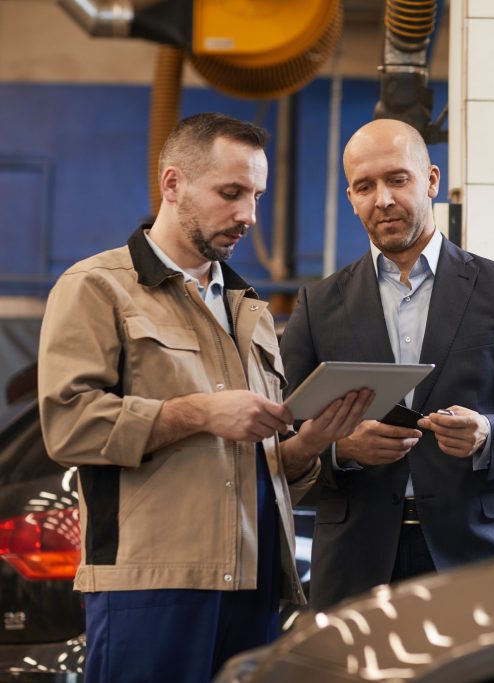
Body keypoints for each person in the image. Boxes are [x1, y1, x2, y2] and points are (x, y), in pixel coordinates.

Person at [37, 112, 372, 683]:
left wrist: (309, 444)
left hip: (253, 580)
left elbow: (261, 465)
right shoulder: (98, 287)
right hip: (152, 581)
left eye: (257, 196)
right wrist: (198, 412)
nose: (248, 215)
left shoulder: (249, 309)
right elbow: (69, 425)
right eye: (231, 192)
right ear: (173, 184)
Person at [280, 118, 494, 611]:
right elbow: (282, 434)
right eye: (364, 186)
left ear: (432, 181)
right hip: (355, 560)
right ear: (350, 198)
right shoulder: (318, 306)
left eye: (397, 179)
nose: (382, 199)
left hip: (474, 555)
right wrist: (340, 448)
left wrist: (488, 432)